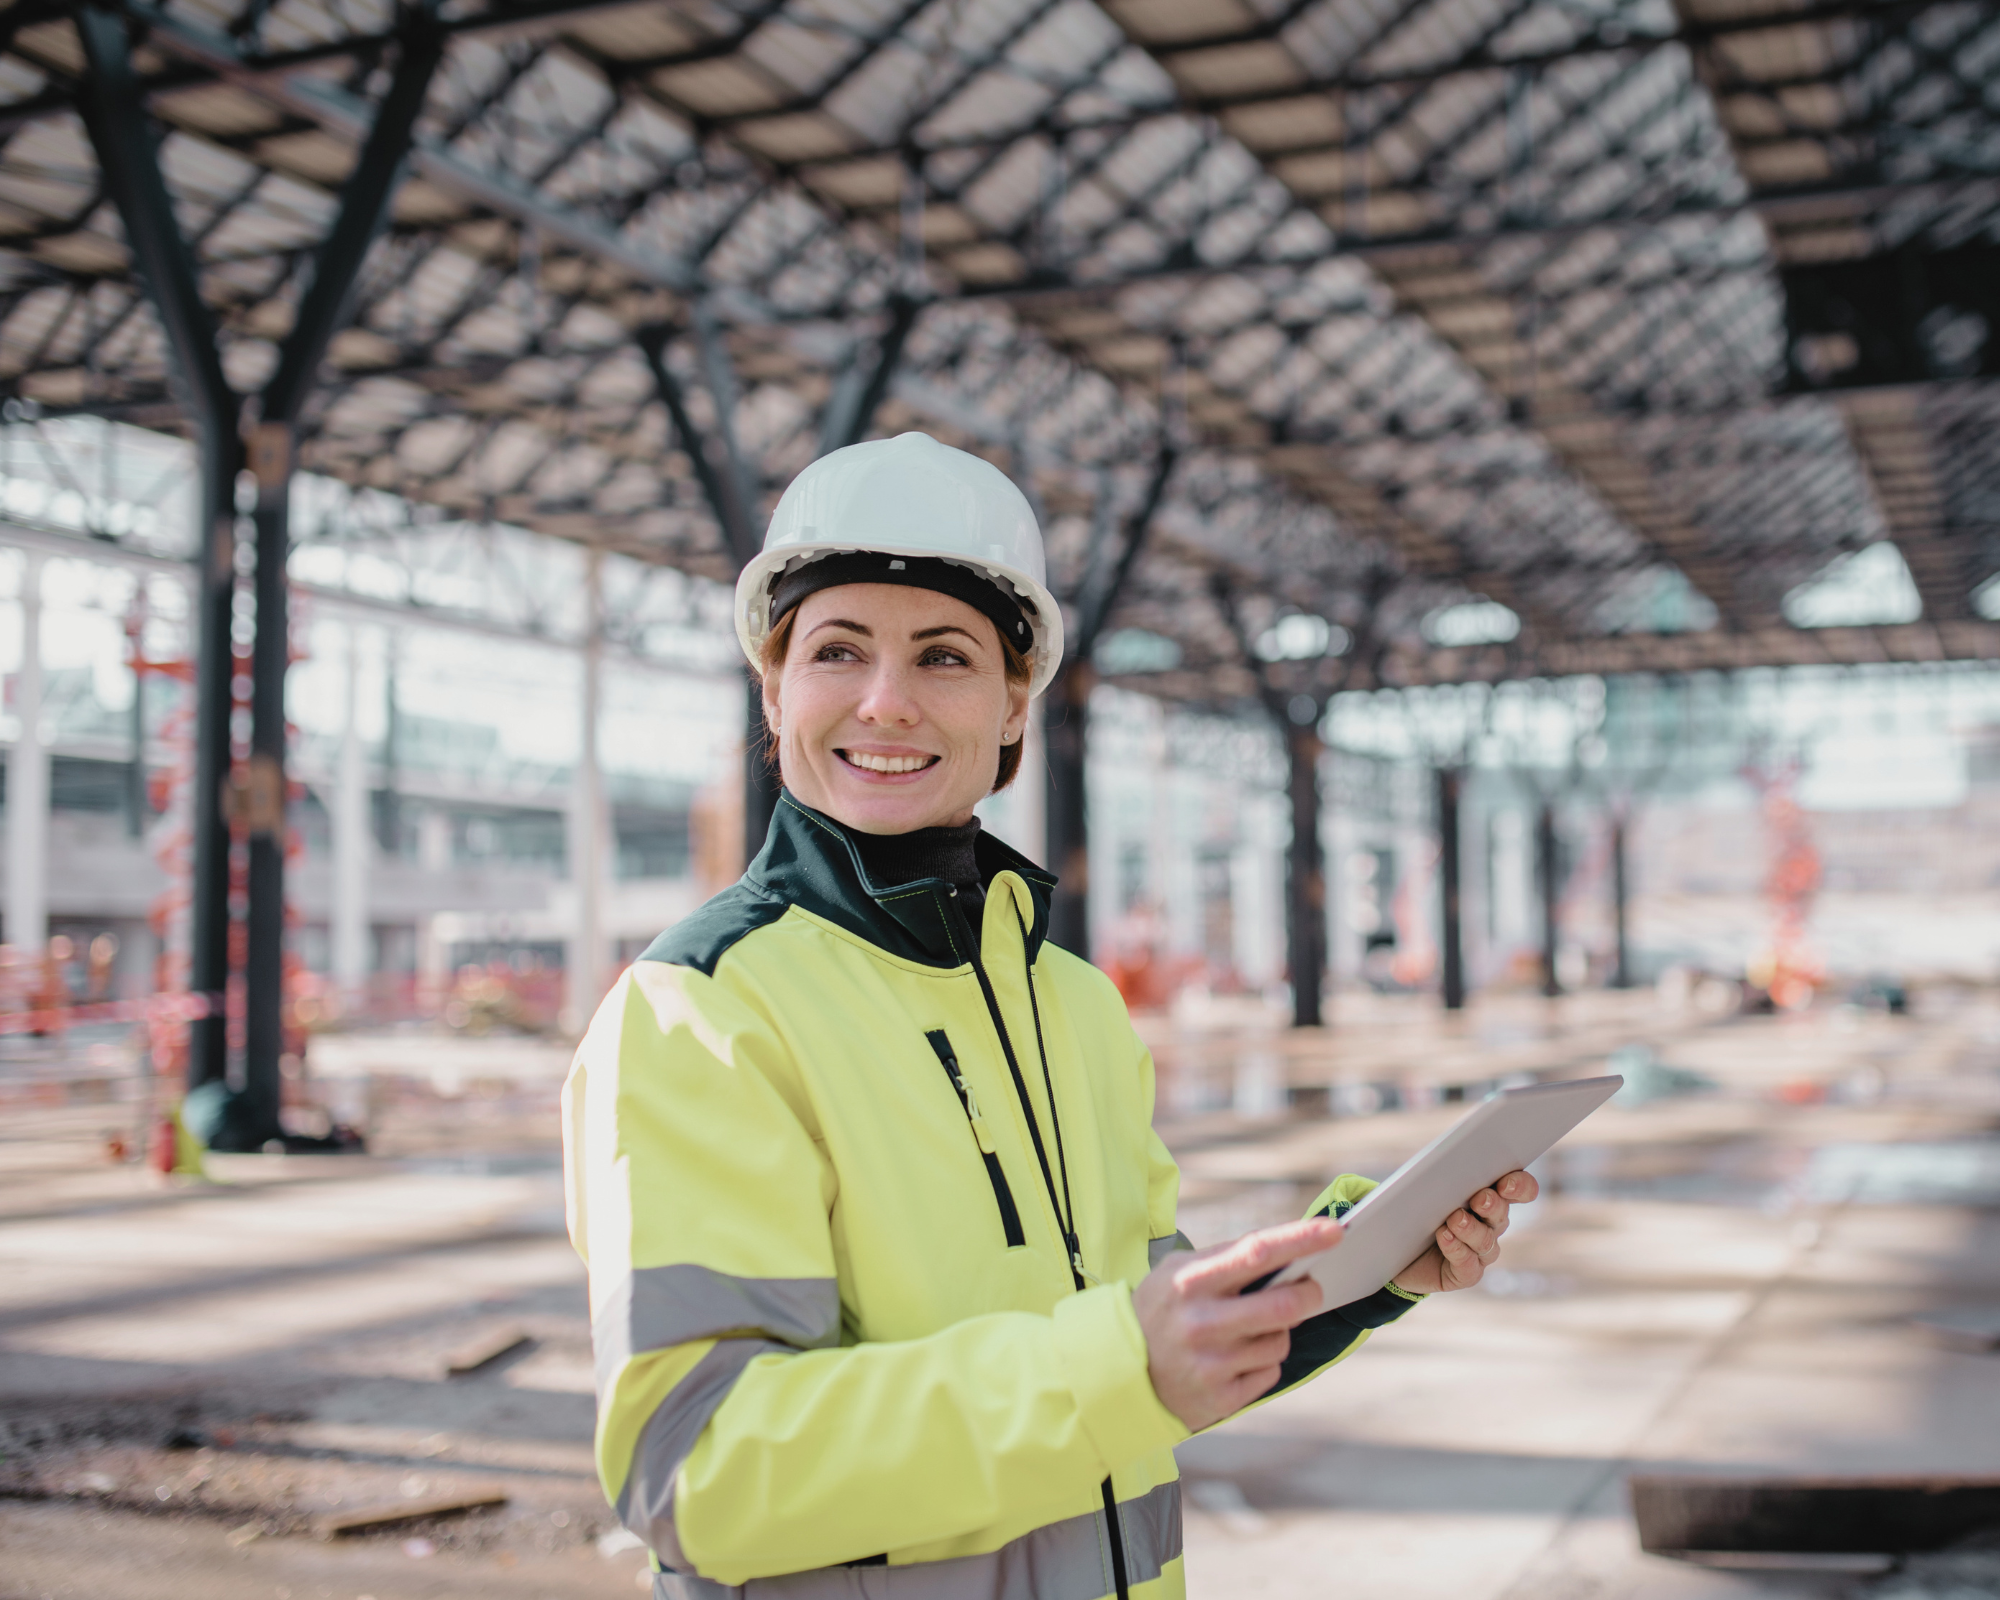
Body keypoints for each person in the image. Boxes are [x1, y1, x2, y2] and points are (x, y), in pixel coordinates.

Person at [561, 432, 1537, 1599]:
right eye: (835, 650)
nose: (886, 701)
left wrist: (1358, 1271)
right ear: (774, 690)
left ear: (1013, 701)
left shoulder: (1070, 1005)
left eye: (942, 656)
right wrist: (1118, 1366)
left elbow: (1154, 1332)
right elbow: (699, 1470)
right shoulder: (701, 1012)